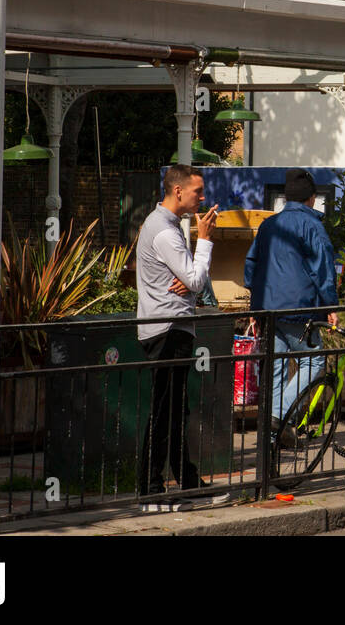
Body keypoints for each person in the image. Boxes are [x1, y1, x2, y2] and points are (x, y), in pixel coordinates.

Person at [135, 163, 221, 507]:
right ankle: (150, 489)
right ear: (178, 191)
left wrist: (189, 284)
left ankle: (185, 480)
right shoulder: (166, 232)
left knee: (173, 409)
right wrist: (205, 241)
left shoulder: (167, 227)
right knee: (164, 410)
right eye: (198, 191)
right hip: (167, 329)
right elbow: (196, 280)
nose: (203, 198)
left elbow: (191, 283)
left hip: (171, 327)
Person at [243, 169, 338, 433]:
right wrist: (331, 306)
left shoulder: (268, 225)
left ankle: (272, 436)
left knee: (276, 368)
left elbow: (252, 266)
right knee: (314, 361)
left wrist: (255, 307)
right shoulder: (312, 227)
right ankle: (279, 417)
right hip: (300, 309)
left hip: (269, 308)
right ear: (311, 199)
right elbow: (324, 270)